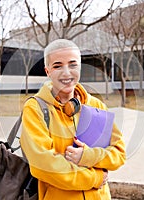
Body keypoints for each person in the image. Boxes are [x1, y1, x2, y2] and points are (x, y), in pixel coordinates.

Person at [20, 39, 125, 200]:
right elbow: (43, 165)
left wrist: (87, 156)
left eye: (72, 64)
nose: (66, 72)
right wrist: (94, 178)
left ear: (80, 67)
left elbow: (118, 154)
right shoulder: (35, 109)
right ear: (47, 71)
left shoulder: (97, 106)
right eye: (57, 66)